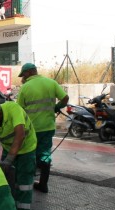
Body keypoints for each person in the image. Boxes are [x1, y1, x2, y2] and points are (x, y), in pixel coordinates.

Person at [16, 63, 69, 193]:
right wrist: (57, 107)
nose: (23, 78)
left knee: (30, 154)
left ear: (28, 73)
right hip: (48, 126)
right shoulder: (51, 82)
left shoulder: (25, 87)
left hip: (32, 129)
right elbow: (65, 98)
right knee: (45, 155)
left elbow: (19, 110)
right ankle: (43, 184)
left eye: (23, 75)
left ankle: (28, 182)